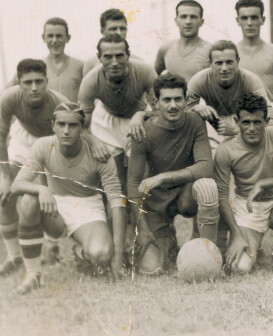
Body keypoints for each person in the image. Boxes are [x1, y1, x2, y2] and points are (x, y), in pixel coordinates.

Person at [10, 102, 126, 294]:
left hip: (87, 205)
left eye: (72, 125)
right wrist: (42, 190)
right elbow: (17, 184)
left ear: (82, 128)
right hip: (55, 203)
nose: (66, 131)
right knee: (29, 201)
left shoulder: (99, 152)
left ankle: (81, 253)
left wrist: (117, 259)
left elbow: (117, 202)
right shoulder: (43, 146)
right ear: (53, 126)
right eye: (61, 124)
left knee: (101, 254)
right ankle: (33, 275)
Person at [127, 73, 219, 274]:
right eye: (166, 100)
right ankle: (167, 238)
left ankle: (206, 247)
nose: (173, 105)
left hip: (184, 194)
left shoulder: (195, 121)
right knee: (153, 269)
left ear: (186, 100)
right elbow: (133, 183)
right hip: (157, 202)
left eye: (178, 99)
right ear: (155, 102)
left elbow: (205, 167)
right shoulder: (142, 130)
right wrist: (142, 229)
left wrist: (163, 177)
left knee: (207, 186)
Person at [214, 93, 273, 273]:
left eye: (257, 122)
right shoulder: (225, 149)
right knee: (240, 268)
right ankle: (253, 244)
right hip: (249, 208)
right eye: (246, 122)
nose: (252, 128)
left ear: (265, 120)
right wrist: (236, 234)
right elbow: (223, 197)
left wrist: (262, 184)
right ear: (236, 120)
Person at [0, 59, 69, 276]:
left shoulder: (59, 102)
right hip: (23, 139)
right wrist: (5, 176)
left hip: (50, 144)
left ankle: (53, 248)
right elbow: (1, 136)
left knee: (40, 199)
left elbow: (75, 133)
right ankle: (14, 257)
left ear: (47, 81)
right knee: (4, 195)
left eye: (39, 81)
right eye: (27, 82)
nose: (33, 87)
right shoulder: (9, 97)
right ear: (18, 83)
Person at [78, 33, 157, 191]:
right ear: (99, 58)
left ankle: (141, 213)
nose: (114, 63)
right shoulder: (90, 81)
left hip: (139, 118)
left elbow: (161, 110)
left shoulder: (144, 70)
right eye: (108, 57)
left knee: (140, 179)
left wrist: (141, 115)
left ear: (128, 55)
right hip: (107, 121)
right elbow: (79, 124)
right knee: (115, 181)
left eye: (119, 56)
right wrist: (93, 141)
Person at [186, 39, 273, 154]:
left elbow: (272, 118)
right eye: (219, 63)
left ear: (237, 61)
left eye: (229, 62)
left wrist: (238, 129)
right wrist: (196, 108)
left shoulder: (250, 79)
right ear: (210, 63)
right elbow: (183, 115)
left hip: (242, 123)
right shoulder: (199, 80)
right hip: (214, 125)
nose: (224, 68)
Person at [235, 0, 273, 128]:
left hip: (269, 116)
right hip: (240, 116)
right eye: (244, 18)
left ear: (262, 20)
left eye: (254, 17)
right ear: (238, 20)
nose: (249, 23)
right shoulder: (231, 54)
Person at [4, 18, 84, 103]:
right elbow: (5, 93)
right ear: (43, 38)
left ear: (68, 38)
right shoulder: (35, 67)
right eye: (50, 36)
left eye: (59, 36)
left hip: (72, 115)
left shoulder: (80, 66)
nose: (54, 40)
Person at [154, 0, 211, 82]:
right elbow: (153, 78)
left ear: (201, 22)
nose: (188, 22)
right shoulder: (166, 49)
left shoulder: (209, 50)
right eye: (183, 17)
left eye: (193, 17)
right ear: (176, 21)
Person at [83, 8, 142, 76]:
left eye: (122, 29)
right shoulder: (91, 64)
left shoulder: (139, 63)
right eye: (113, 29)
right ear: (102, 31)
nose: (119, 33)